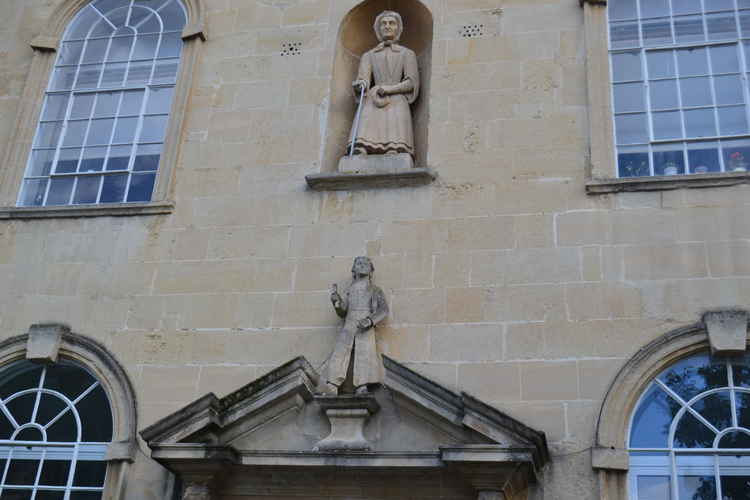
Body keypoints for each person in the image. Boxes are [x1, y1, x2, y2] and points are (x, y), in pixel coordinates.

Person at [348, 11, 420, 157]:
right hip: (375, 96)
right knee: (366, 116)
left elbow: (411, 82)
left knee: (395, 138)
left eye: (391, 23)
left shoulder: (407, 53)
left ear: (398, 28)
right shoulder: (368, 55)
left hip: (396, 96)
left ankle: (394, 148)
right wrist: (361, 84)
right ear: (378, 29)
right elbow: (364, 78)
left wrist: (390, 89)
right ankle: (361, 148)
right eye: (383, 23)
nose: (387, 26)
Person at [322, 257, 389, 395]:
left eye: (366, 264)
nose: (362, 266)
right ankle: (333, 383)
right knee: (340, 352)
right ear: (354, 269)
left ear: (371, 270)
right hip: (349, 323)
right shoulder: (350, 290)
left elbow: (383, 310)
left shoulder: (374, 290)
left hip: (365, 324)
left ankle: (362, 385)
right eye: (359, 264)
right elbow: (343, 311)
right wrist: (337, 301)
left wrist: (370, 320)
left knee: (364, 353)